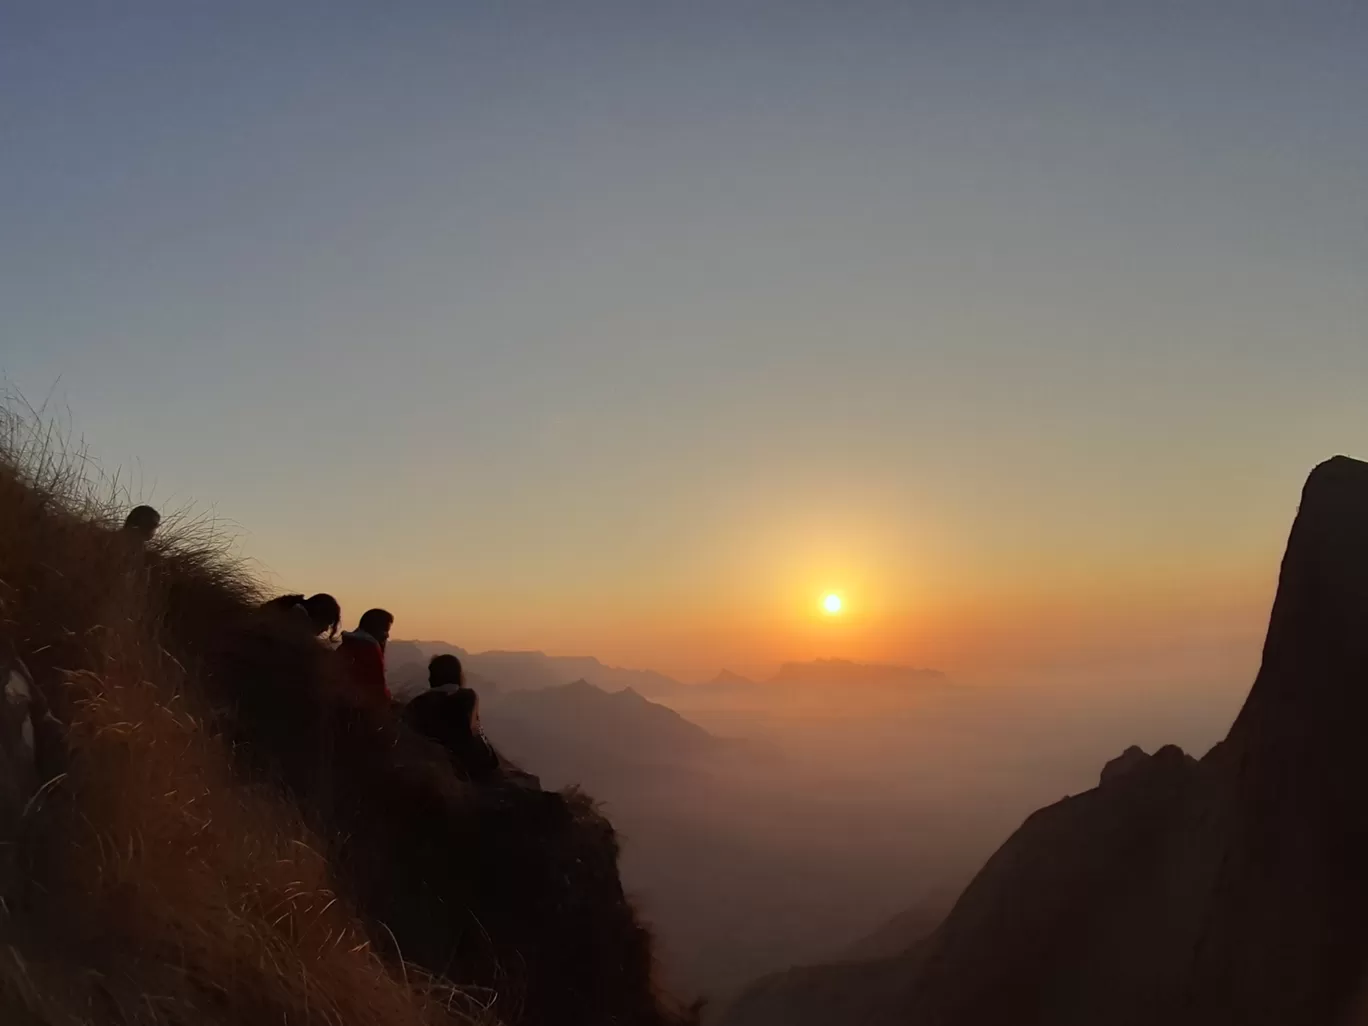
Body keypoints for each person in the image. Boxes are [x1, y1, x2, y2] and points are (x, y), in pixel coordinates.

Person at [404, 664, 499, 782]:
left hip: (437, 764)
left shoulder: (417, 703)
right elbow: (474, 729)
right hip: (470, 764)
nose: (429, 679)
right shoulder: (469, 696)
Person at [336, 608, 393, 704]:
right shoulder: (369, 648)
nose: (387, 636)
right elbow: (377, 686)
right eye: (385, 631)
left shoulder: (348, 644)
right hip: (361, 708)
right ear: (375, 628)